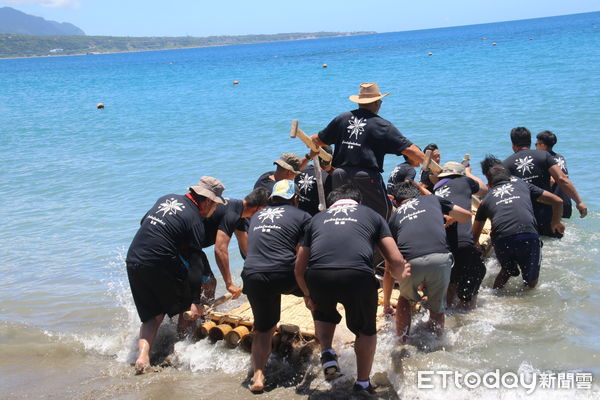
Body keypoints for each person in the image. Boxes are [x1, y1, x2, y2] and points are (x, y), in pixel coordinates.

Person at [295, 184, 409, 395]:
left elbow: (299, 267)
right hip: (357, 275)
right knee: (366, 330)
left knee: (323, 313)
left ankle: (328, 353)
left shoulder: (317, 219)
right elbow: (394, 259)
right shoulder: (372, 215)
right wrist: (403, 276)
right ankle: (363, 383)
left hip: (319, 275)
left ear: (331, 204)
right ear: (359, 202)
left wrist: (307, 294)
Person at [125, 176, 225, 373]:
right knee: (186, 306)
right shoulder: (195, 219)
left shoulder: (166, 197)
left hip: (134, 259)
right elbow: (196, 262)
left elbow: (143, 221)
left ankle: (143, 357)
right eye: (214, 206)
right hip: (160, 262)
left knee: (152, 315)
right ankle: (182, 348)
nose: (213, 211)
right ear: (207, 201)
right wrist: (195, 301)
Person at [310, 82, 425, 219]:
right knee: (384, 213)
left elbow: (317, 140)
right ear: (377, 103)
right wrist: (429, 164)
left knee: (344, 213)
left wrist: (311, 144)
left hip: (339, 175)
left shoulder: (342, 119)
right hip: (365, 176)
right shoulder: (382, 125)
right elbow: (409, 150)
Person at [241, 180, 311, 393]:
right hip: (284, 274)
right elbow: (303, 254)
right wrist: (308, 292)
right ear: (295, 198)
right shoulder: (302, 216)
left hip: (252, 274)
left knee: (263, 329)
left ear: (272, 198)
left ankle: (258, 376)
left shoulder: (256, 216)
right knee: (317, 297)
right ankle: (327, 351)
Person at [383, 182, 471, 342]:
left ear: (395, 201)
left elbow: (389, 267)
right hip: (441, 259)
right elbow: (466, 216)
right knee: (437, 308)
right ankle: (437, 342)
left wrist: (387, 304)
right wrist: (448, 218)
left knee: (405, 299)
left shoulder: (393, 218)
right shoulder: (432, 200)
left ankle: (402, 342)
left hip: (411, 263)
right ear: (418, 195)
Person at [473, 157, 565, 289]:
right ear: (507, 174)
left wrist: (477, 246)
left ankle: (495, 295)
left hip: (501, 240)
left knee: (506, 271)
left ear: (488, 180)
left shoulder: (486, 199)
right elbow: (558, 201)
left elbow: (475, 236)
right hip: (528, 235)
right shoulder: (521, 184)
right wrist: (556, 222)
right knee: (531, 283)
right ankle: (526, 302)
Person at [180, 188, 270, 323]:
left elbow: (246, 249)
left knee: (208, 283)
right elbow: (220, 250)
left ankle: (202, 318)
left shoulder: (239, 213)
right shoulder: (232, 214)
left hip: (191, 246)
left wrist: (259, 273)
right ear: (259, 209)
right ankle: (193, 325)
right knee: (207, 283)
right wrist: (229, 284)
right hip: (183, 246)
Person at [502, 127, 586, 237]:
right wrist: (579, 202)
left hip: (525, 216)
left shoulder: (506, 164)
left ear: (513, 144)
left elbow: (504, 192)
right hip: (548, 215)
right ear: (530, 142)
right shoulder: (544, 155)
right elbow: (562, 179)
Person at [432, 161, 488, 309]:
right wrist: (469, 172)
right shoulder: (464, 180)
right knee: (477, 272)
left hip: (440, 246)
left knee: (451, 283)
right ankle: (467, 312)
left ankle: (448, 314)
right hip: (462, 242)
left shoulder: (436, 189)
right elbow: (483, 190)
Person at [535, 130, 573, 218]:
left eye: (536, 144)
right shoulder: (560, 157)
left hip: (555, 203)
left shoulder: (544, 159)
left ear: (543, 145)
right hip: (566, 201)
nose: (535, 147)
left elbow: (551, 181)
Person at [295, 145, 334, 216]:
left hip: (297, 212)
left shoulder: (301, 169)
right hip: (316, 216)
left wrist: (309, 156)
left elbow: (294, 166)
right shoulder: (328, 177)